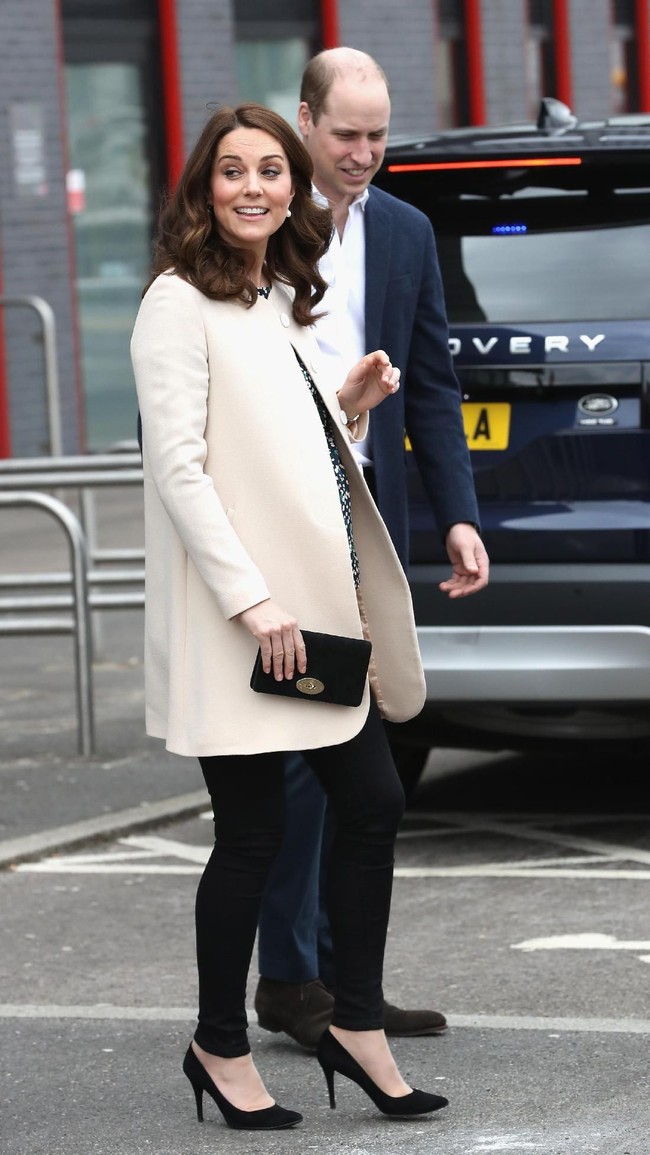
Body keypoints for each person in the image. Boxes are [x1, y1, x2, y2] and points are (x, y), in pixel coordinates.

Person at [131, 101, 450, 1131]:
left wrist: (349, 403)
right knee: (252, 837)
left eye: (270, 169)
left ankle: (354, 1020)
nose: (255, 188)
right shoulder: (174, 304)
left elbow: (286, 451)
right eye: (232, 172)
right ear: (201, 189)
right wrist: (249, 598)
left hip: (310, 616)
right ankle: (218, 1045)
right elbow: (179, 469)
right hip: (244, 622)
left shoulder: (275, 295)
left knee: (372, 803)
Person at [254, 47, 490, 1050]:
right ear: (303, 122)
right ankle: (291, 980)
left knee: (371, 749)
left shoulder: (401, 229)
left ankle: (352, 986)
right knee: (302, 764)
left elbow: (432, 384)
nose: (362, 154)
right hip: (279, 521)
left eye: (377, 135)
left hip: (370, 524)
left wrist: (457, 511)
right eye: (345, 134)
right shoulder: (256, 223)